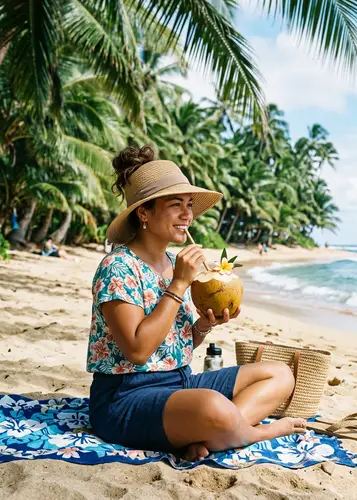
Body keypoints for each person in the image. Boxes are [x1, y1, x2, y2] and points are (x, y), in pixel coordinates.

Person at [87, 145, 306, 461]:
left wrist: (203, 326)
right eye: (176, 205)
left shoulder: (172, 262)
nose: (187, 215)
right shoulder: (118, 267)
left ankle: (218, 431)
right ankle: (254, 432)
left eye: (189, 205)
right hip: (125, 397)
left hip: (179, 382)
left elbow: (178, 343)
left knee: (280, 374)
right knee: (211, 406)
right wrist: (178, 285)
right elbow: (138, 351)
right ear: (143, 212)